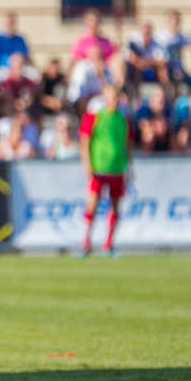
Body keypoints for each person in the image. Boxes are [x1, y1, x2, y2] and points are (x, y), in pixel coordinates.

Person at [79, 84, 133, 256]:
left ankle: (108, 243)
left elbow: (128, 143)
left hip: (117, 167)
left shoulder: (123, 117)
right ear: (104, 97)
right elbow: (85, 139)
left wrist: (130, 166)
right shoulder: (96, 115)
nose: (114, 99)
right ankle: (86, 242)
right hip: (99, 167)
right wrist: (87, 163)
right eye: (111, 96)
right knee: (92, 205)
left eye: (116, 96)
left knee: (116, 207)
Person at [0, 11, 31, 79]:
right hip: (3, 69)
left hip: (20, 69)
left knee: (34, 75)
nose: (10, 25)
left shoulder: (20, 39)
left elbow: (27, 56)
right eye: (8, 23)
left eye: (12, 23)